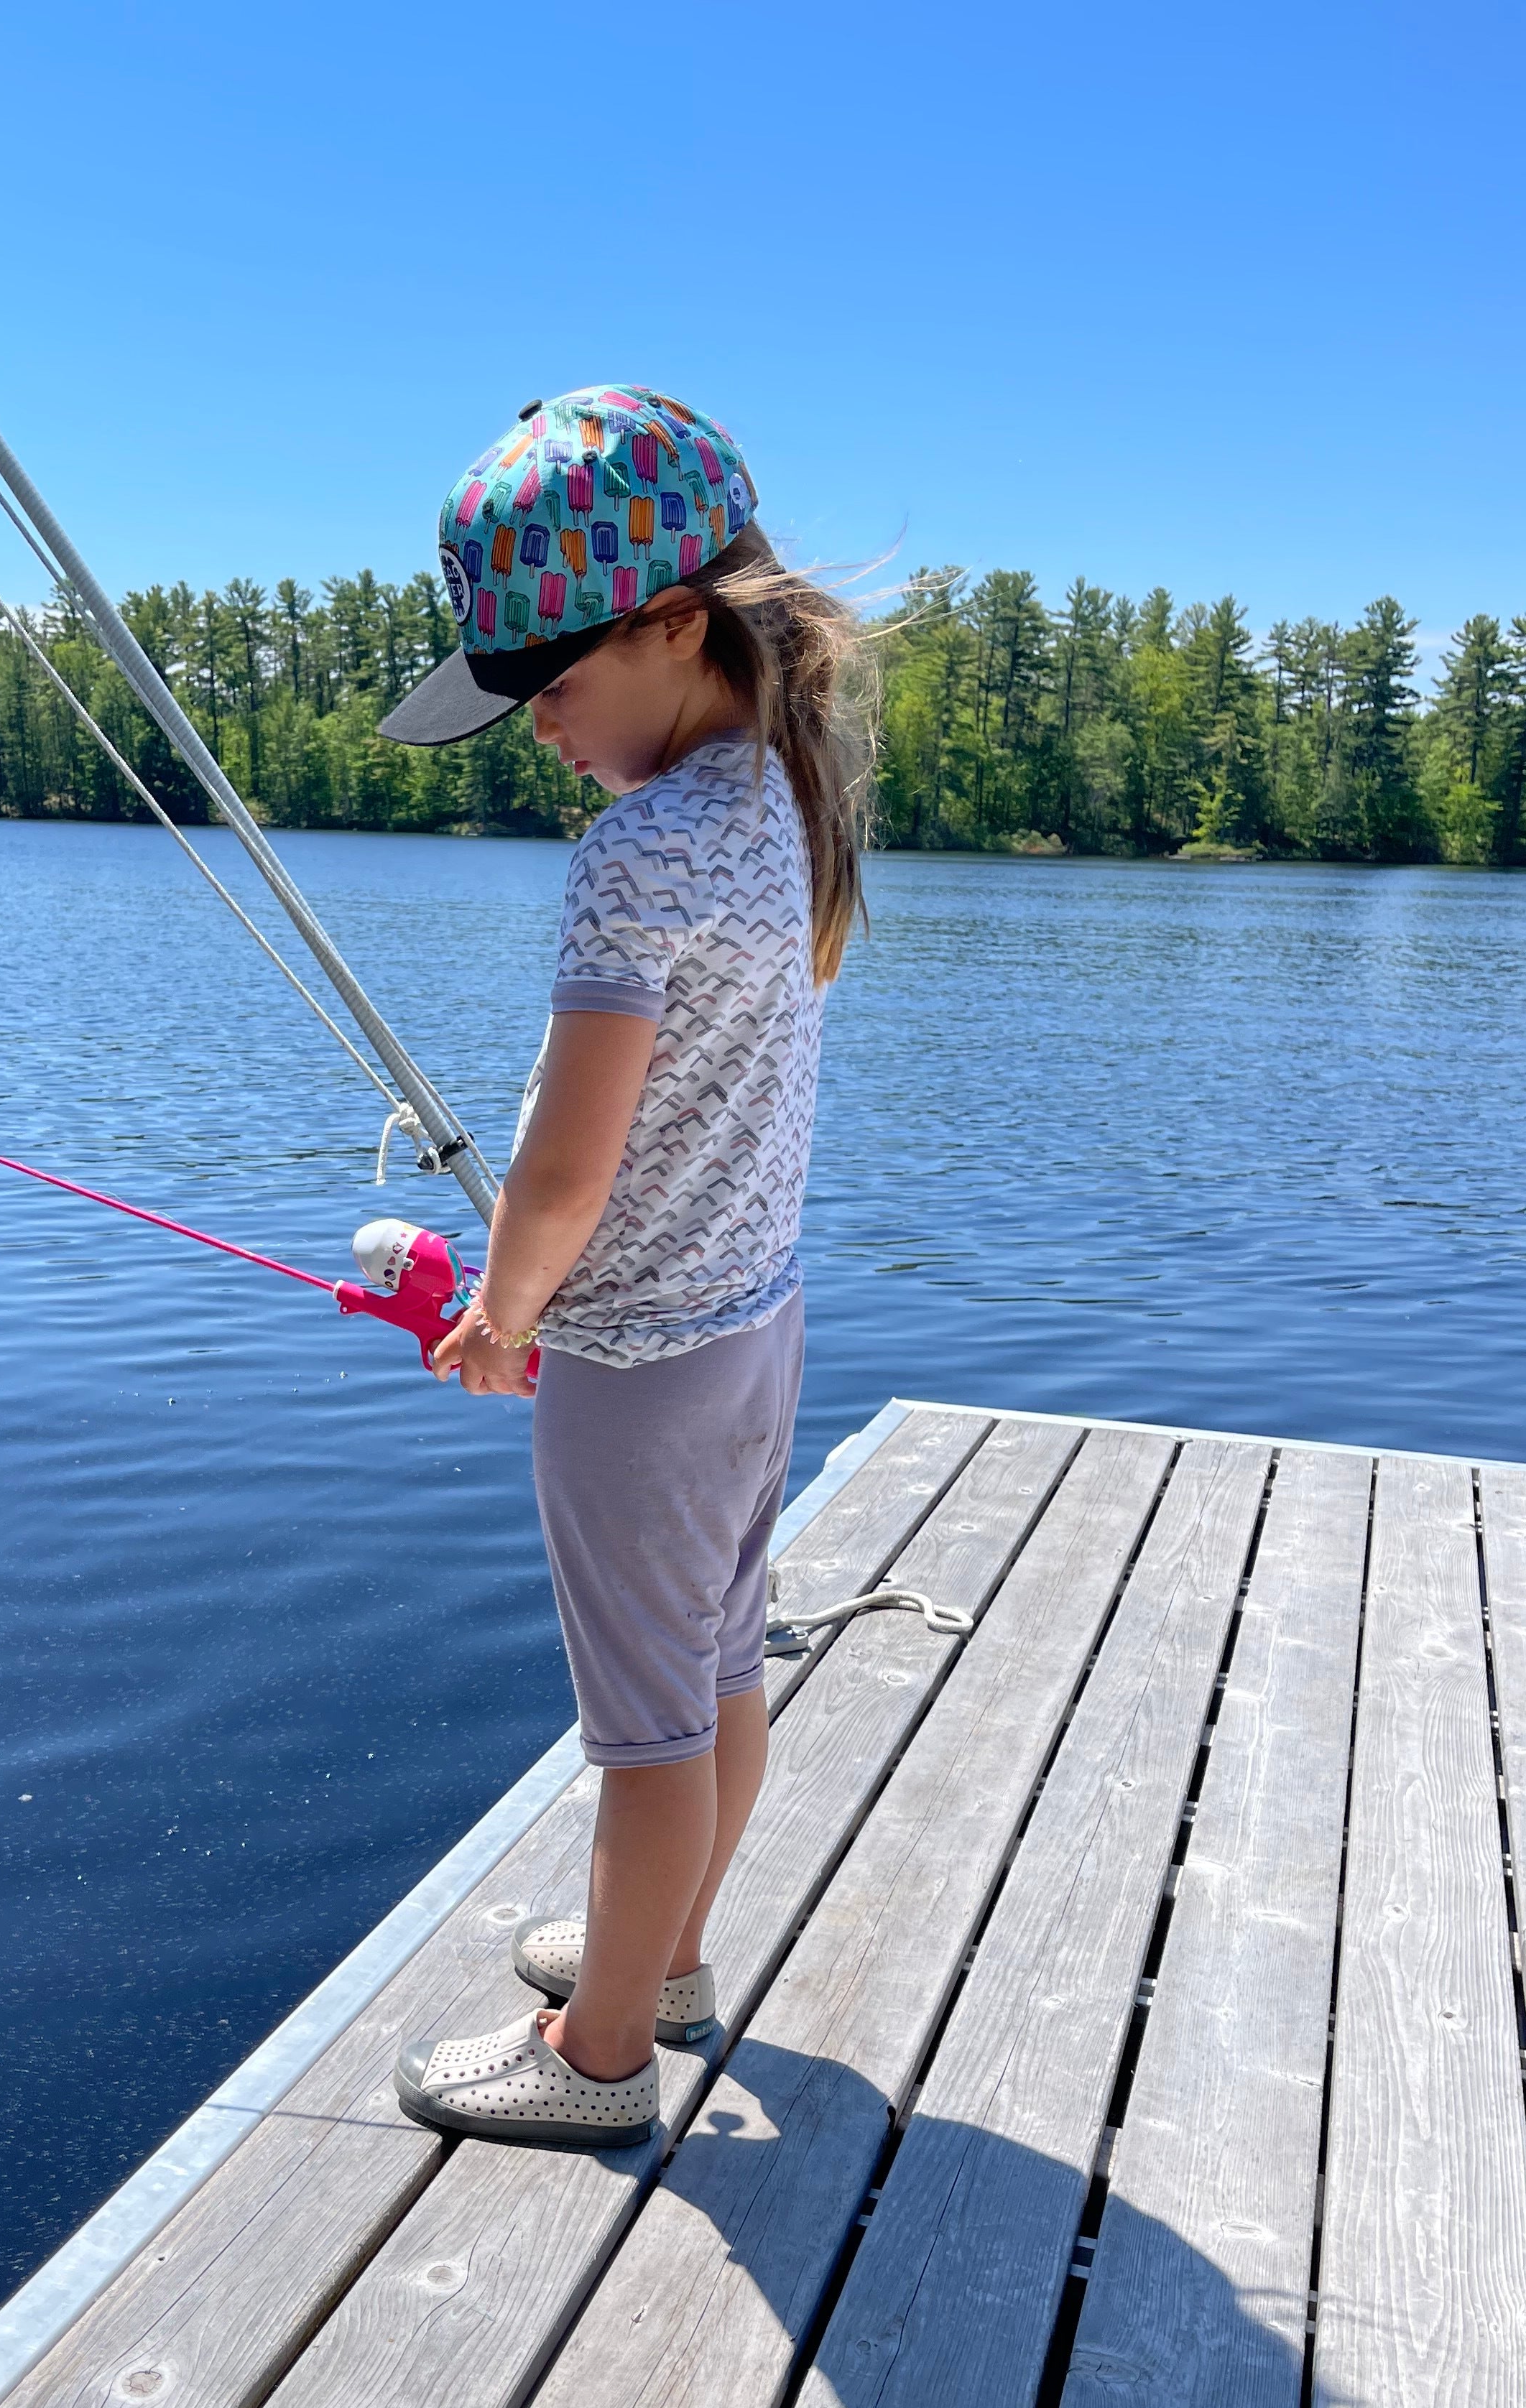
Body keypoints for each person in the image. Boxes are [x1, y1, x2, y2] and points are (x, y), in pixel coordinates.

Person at [379, 385, 867, 2150]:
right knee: (720, 1671)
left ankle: (600, 2060)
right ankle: (656, 1964)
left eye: (549, 688)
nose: (536, 732)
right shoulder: (785, 801)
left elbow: (570, 1161)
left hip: (640, 1374)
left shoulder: (634, 858)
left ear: (674, 625)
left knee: (644, 1735)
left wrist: (503, 1315)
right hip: (757, 1332)